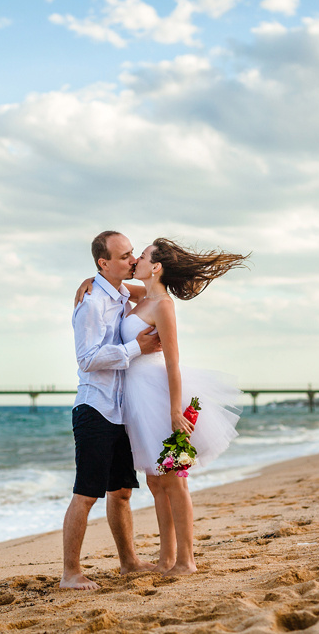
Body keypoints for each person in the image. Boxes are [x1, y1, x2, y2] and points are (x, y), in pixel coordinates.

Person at [77, 238, 248, 576]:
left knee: (174, 481)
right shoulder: (141, 296)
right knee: (156, 482)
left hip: (157, 396)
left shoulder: (163, 305)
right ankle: (166, 559)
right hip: (137, 399)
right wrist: (87, 281)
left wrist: (174, 411)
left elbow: (173, 362)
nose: (135, 260)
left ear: (155, 267)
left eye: (141, 256)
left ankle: (186, 560)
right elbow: (112, 285)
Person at [61, 231, 161, 590]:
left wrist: (92, 278)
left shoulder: (118, 294)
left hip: (121, 410)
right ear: (104, 263)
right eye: (124, 257)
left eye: (133, 253)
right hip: (96, 408)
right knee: (87, 493)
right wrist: (136, 349)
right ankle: (70, 573)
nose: (132, 260)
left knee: (121, 492)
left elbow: (151, 292)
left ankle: (129, 562)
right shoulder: (92, 303)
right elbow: (86, 359)